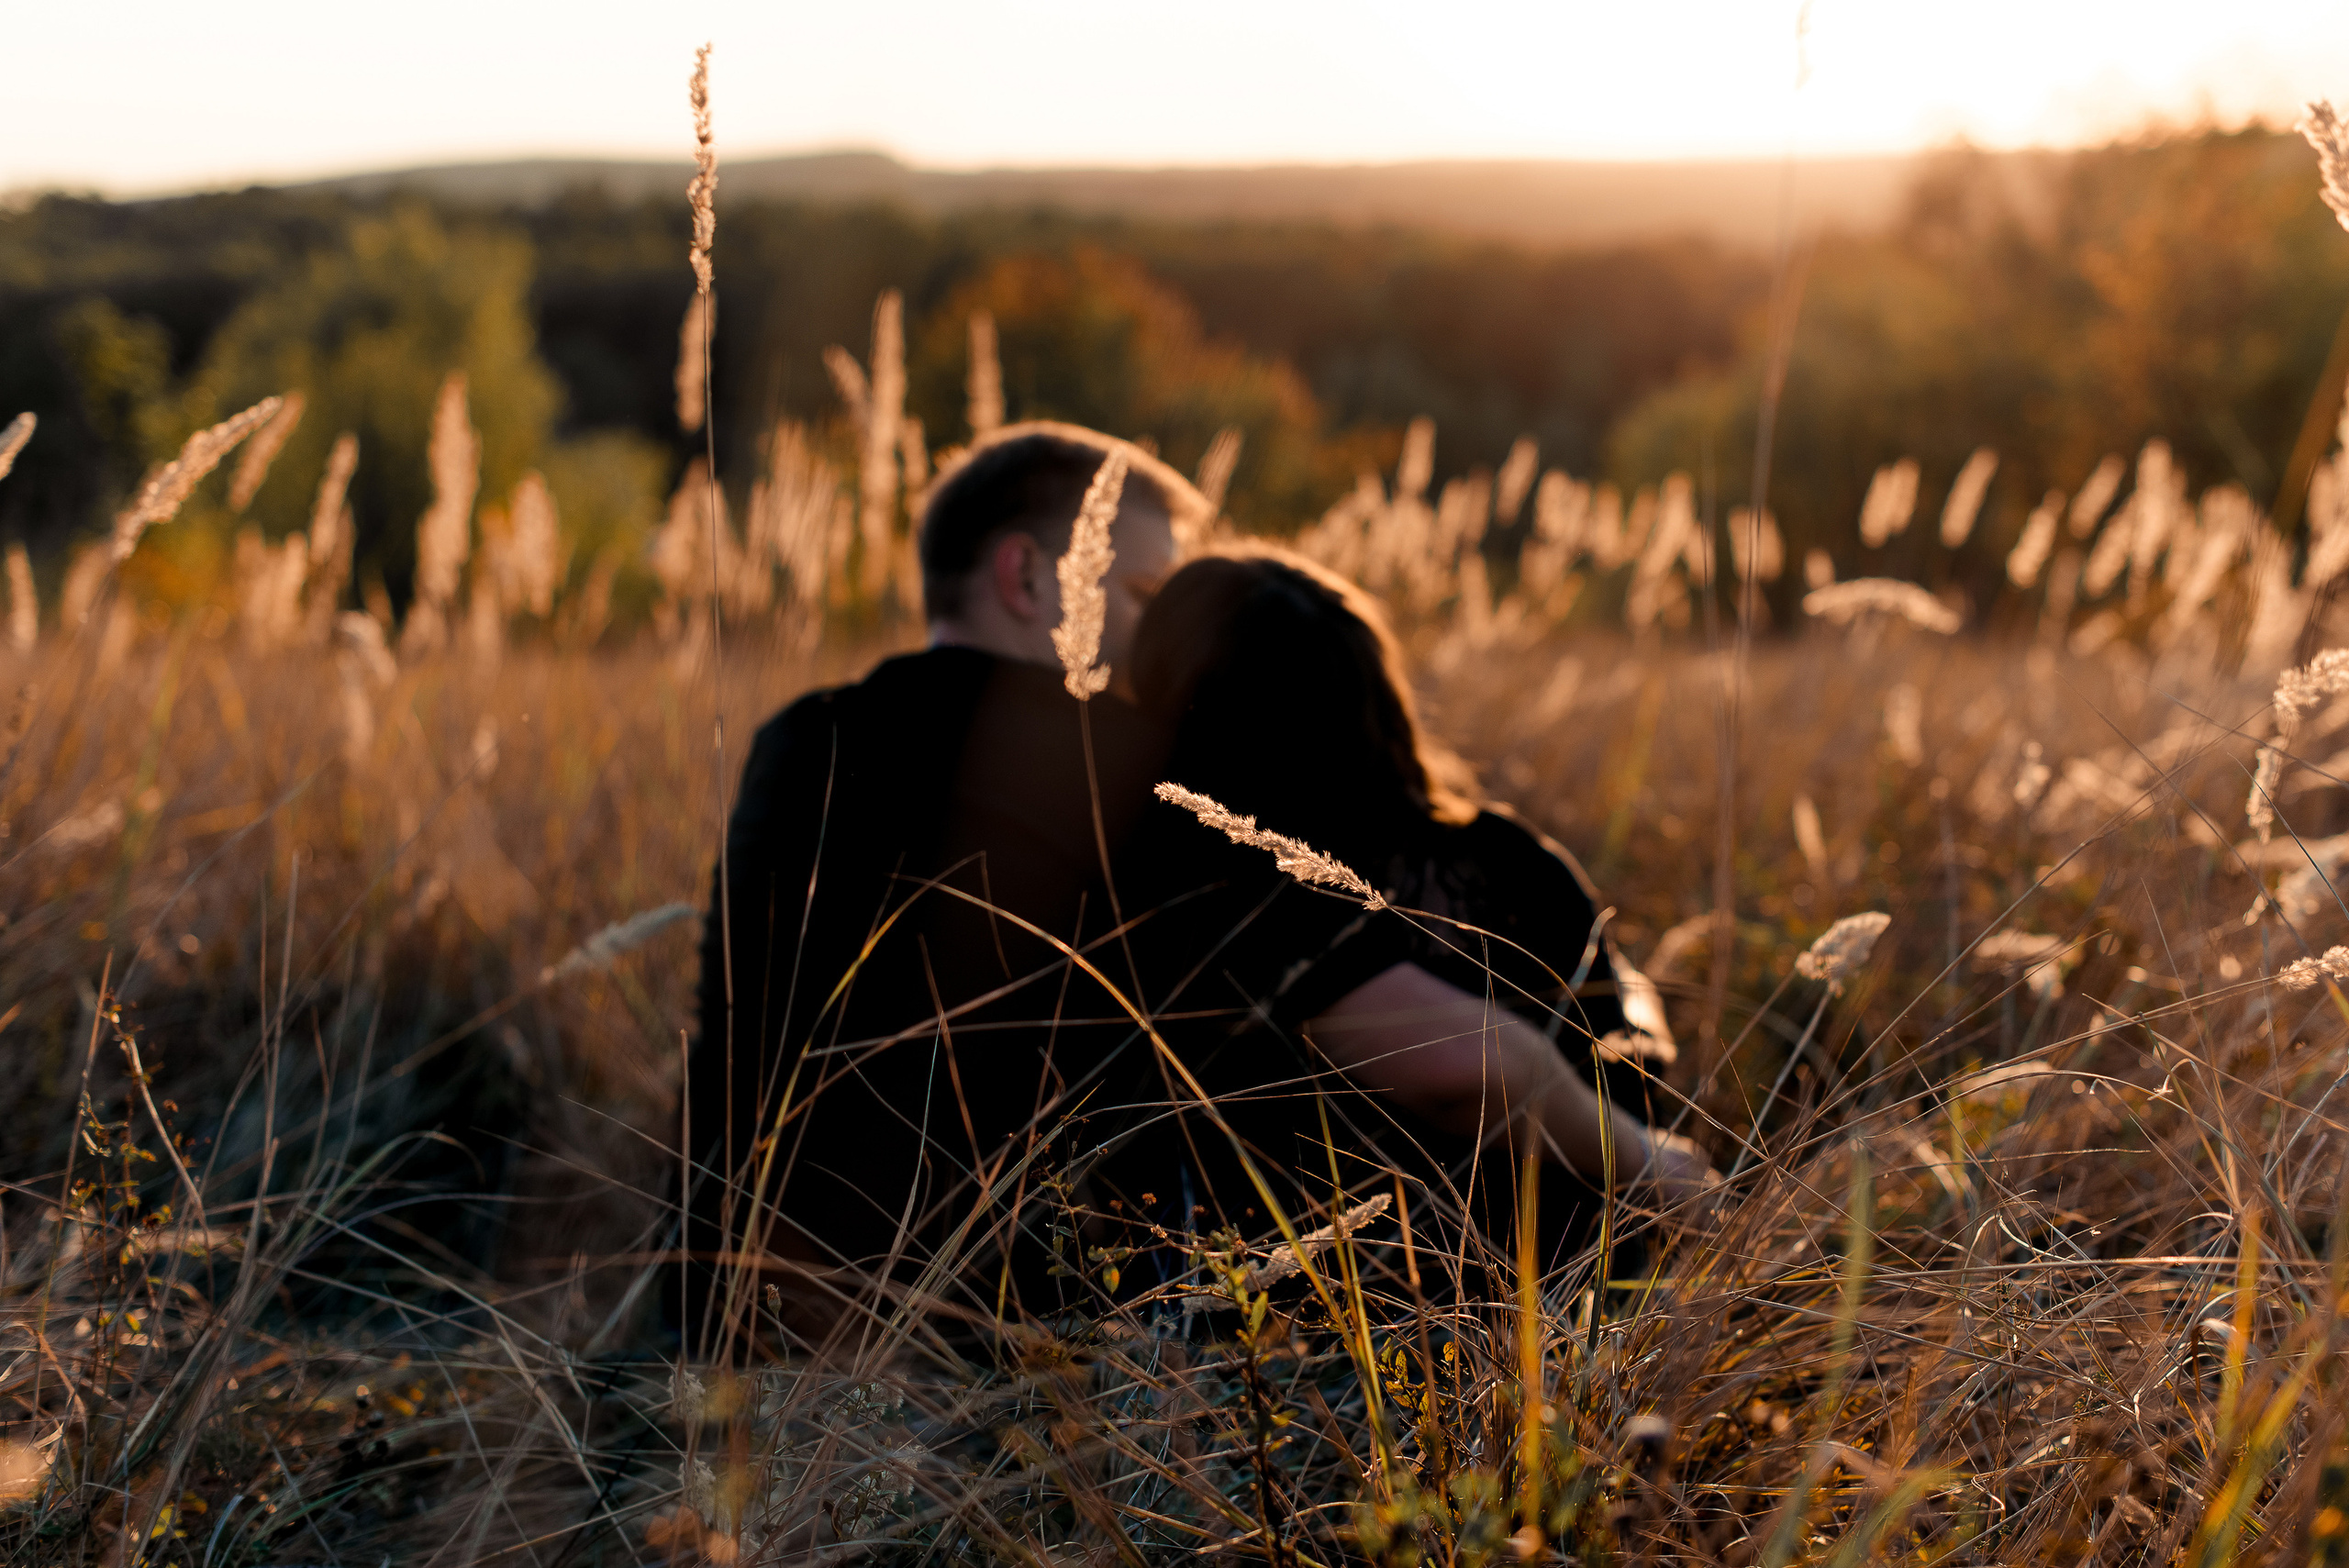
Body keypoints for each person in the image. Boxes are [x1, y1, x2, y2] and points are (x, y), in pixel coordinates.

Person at [681, 422, 1191, 1349]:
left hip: (742, 1322)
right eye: (1140, 591)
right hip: (1023, 1347)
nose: (1154, 632)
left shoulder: (797, 741)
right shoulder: (1126, 762)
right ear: (1029, 575)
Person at [1111, 547, 1711, 1269]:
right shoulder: (1509, 854)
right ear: (1376, 694)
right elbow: (1607, 1044)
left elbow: (1494, 1062)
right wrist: (1650, 1159)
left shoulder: (1198, 884)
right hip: (1580, 1279)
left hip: (1338, 1306)